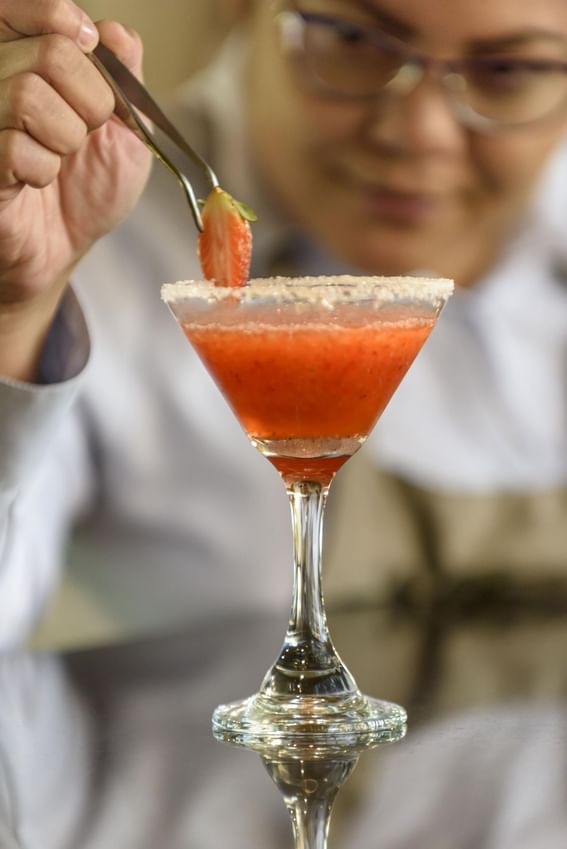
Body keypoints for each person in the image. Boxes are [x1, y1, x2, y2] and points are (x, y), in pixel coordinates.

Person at [1, 0, 567, 649]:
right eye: (355, 39)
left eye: (506, 70)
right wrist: (15, 310)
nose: (421, 131)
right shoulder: (86, 231)